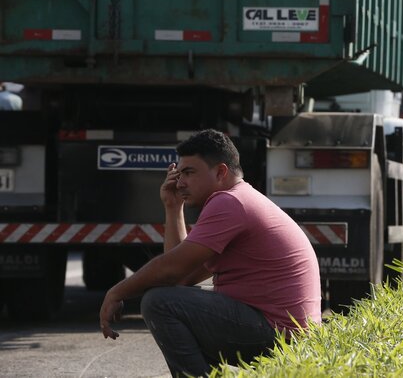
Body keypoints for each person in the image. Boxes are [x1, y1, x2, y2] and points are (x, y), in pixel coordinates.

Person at [99, 129, 321, 377]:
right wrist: (174, 208)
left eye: (189, 172)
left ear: (220, 172)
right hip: (282, 332)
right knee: (166, 298)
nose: (180, 182)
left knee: (159, 303)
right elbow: (181, 278)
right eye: (179, 173)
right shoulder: (239, 199)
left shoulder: (229, 202)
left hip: (279, 335)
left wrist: (116, 292)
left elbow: (171, 272)